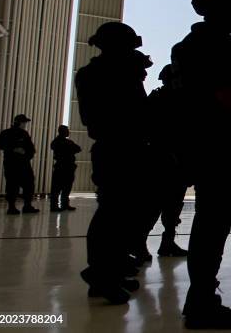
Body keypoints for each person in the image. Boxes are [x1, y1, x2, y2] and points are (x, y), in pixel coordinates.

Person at [170, 0, 231, 329]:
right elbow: (230, 96)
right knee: (212, 227)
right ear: (224, 10)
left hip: (196, 143)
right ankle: (201, 304)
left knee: (207, 225)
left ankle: (201, 298)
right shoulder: (219, 47)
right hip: (219, 146)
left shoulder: (187, 46)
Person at [75, 22, 151, 304]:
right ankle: (100, 273)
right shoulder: (102, 74)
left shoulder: (113, 72)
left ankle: (109, 272)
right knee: (112, 214)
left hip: (127, 148)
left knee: (124, 214)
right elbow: (109, 115)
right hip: (117, 148)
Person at [146, 64, 188, 257]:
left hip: (178, 160)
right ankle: (138, 244)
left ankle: (168, 242)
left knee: (173, 206)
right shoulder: (159, 99)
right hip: (160, 160)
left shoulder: (181, 99)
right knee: (153, 205)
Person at [0, 114, 39, 215]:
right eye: (24, 123)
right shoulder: (7, 133)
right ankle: (13, 207)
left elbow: (31, 149)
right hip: (13, 164)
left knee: (27, 184)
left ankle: (26, 206)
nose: (25, 125)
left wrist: (26, 154)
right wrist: (13, 149)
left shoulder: (24, 133)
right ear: (19, 123)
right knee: (13, 185)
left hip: (22, 164)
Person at [49, 125, 81, 212]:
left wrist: (68, 149)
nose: (68, 132)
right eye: (67, 130)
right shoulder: (60, 142)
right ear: (62, 131)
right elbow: (76, 148)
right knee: (57, 188)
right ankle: (55, 206)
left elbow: (78, 149)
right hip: (63, 167)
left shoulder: (60, 142)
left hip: (67, 167)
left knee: (66, 187)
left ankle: (64, 204)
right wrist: (69, 149)